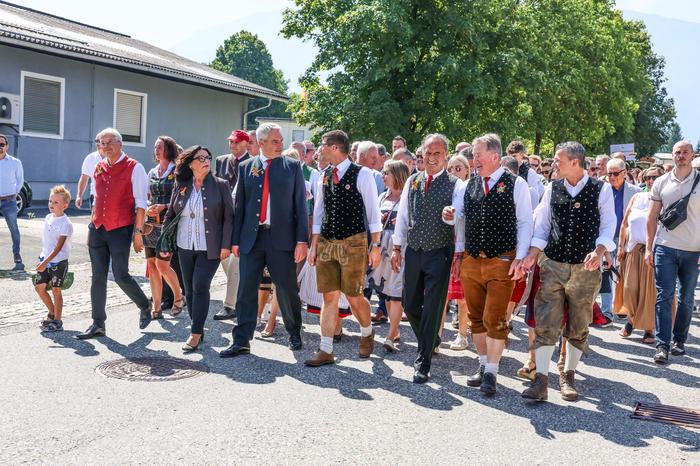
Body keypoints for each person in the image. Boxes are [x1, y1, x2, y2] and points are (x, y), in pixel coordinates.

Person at [520, 141, 615, 402]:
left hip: (586, 269)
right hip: (553, 265)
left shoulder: (601, 189)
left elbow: (608, 227)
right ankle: (541, 380)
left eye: (558, 160)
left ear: (575, 162)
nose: (555, 164)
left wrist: (598, 252)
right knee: (545, 320)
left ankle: (568, 375)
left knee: (578, 323)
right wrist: (531, 256)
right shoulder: (553, 188)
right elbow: (542, 227)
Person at [445, 133, 533, 396]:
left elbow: (525, 223)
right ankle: (483, 366)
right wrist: (450, 218)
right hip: (472, 259)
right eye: (473, 155)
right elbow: (458, 219)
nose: (474, 160)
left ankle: (492, 373)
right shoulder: (469, 184)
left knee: (494, 318)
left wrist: (519, 258)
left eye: (478, 155)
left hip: (501, 260)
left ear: (495, 156)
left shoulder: (516, 184)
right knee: (475, 317)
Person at [221, 122, 309, 357]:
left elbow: (301, 206)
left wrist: (302, 240)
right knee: (246, 290)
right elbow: (240, 206)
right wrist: (235, 240)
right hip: (252, 238)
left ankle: (293, 332)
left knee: (287, 288)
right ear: (260, 143)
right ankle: (241, 339)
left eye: (280, 141)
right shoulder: (247, 167)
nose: (280, 145)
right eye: (275, 141)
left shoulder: (292, 167)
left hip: (281, 238)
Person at [305, 130, 381, 366]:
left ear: (334, 147)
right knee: (329, 296)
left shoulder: (362, 174)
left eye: (323, 145)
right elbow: (319, 212)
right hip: (327, 240)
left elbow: (373, 213)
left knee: (354, 295)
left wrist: (375, 245)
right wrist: (313, 245)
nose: (320, 150)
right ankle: (326, 349)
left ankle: (367, 331)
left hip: (353, 242)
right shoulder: (324, 175)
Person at [393, 133, 460, 383]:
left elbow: (458, 217)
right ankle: (431, 338)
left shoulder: (456, 184)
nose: (432, 159)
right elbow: (403, 216)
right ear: (421, 154)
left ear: (446, 155)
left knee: (432, 305)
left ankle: (423, 361)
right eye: (428, 153)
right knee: (409, 303)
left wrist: (450, 216)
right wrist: (398, 248)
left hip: (439, 251)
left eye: (437, 154)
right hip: (414, 250)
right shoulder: (412, 180)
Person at [77, 128, 152, 340]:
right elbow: (96, 197)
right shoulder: (98, 167)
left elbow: (140, 204)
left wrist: (138, 233)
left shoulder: (135, 167)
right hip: (98, 228)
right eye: (101, 143)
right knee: (97, 277)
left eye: (110, 142)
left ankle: (145, 304)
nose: (105, 146)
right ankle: (98, 323)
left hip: (120, 229)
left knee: (121, 275)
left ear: (120, 144)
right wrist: (92, 224)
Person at [161, 146, 233, 352]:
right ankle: (198, 328)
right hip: (185, 245)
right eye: (200, 158)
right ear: (190, 163)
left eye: (207, 157)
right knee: (190, 290)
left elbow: (229, 217)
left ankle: (195, 332)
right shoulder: (182, 185)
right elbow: (170, 214)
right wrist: (165, 242)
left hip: (210, 247)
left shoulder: (220, 185)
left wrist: (226, 245)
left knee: (200, 286)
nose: (205, 161)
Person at [646, 140, 700, 364]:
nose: (681, 156)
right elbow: (651, 217)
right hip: (665, 247)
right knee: (664, 297)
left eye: (685, 152)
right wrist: (649, 247)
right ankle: (662, 345)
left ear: (692, 155)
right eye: (677, 152)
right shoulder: (660, 181)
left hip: (693, 249)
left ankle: (679, 339)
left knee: (686, 298)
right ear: (672, 155)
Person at [616, 166, 664, 344]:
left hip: (655, 251)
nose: (651, 181)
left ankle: (649, 329)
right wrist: (621, 247)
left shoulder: (666, 199)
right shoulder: (637, 197)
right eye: (648, 178)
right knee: (630, 289)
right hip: (633, 250)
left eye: (655, 178)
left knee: (649, 292)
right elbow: (624, 223)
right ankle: (631, 319)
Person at [368, 159, 410, 351]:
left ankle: (392, 334)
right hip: (380, 248)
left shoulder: (408, 198)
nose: (383, 176)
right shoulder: (382, 197)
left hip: (398, 248)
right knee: (385, 291)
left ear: (397, 175)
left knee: (396, 293)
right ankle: (395, 330)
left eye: (387, 173)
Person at [144, 136, 185, 319]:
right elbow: (145, 195)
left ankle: (178, 296)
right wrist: (148, 206)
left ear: (169, 149)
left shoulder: (177, 171)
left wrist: (164, 207)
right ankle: (157, 306)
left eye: (160, 147)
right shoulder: (152, 172)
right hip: (151, 224)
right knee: (152, 265)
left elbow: (182, 198)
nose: (156, 150)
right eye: (155, 147)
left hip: (168, 223)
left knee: (163, 264)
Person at [597, 158, 641, 326]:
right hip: (606, 238)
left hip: (627, 240)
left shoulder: (635, 192)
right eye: (609, 174)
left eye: (616, 173)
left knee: (624, 275)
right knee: (606, 273)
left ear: (624, 173)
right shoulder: (602, 190)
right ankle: (606, 311)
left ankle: (622, 307)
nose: (612, 177)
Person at [213, 129, 251, 321]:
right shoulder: (221, 161)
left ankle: (230, 305)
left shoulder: (252, 163)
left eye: (237, 142)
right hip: (223, 217)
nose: (233, 145)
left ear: (246, 143)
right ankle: (240, 293)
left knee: (235, 260)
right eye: (231, 142)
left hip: (242, 218)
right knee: (224, 257)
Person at [36, 186, 73, 332]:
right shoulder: (47, 218)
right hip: (45, 259)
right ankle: (52, 313)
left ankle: (57, 321)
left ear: (65, 205)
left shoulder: (66, 224)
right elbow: (47, 242)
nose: (52, 204)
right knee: (39, 288)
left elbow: (58, 247)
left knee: (56, 290)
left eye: (56, 202)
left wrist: (46, 262)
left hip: (59, 261)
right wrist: (42, 258)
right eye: (51, 201)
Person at [445, 154, 470, 350]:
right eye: (450, 169)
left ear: (467, 171)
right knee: (440, 295)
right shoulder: (443, 188)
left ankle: (462, 335)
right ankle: (435, 337)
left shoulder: (471, 190)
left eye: (458, 168)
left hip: (463, 246)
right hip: (443, 245)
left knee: (462, 298)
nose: (453, 172)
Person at [0, 133, 25, 270]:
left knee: (14, 229)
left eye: (2, 144)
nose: (0, 147)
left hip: (9, 201)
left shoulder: (15, 162)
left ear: (7, 146)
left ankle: (17, 255)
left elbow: (19, 181)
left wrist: (13, 195)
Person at [506, 140, 545, 206]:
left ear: (521, 155)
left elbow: (534, 198)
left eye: (514, 156)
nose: (511, 159)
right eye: (509, 156)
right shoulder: (504, 171)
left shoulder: (530, 173)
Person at [75, 137, 102, 210]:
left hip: (113, 197)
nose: (98, 144)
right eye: (97, 141)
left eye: (100, 141)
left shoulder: (115, 157)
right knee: (95, 220)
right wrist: (79, 196)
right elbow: (84, 178)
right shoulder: (90, 158)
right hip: (95, 196)